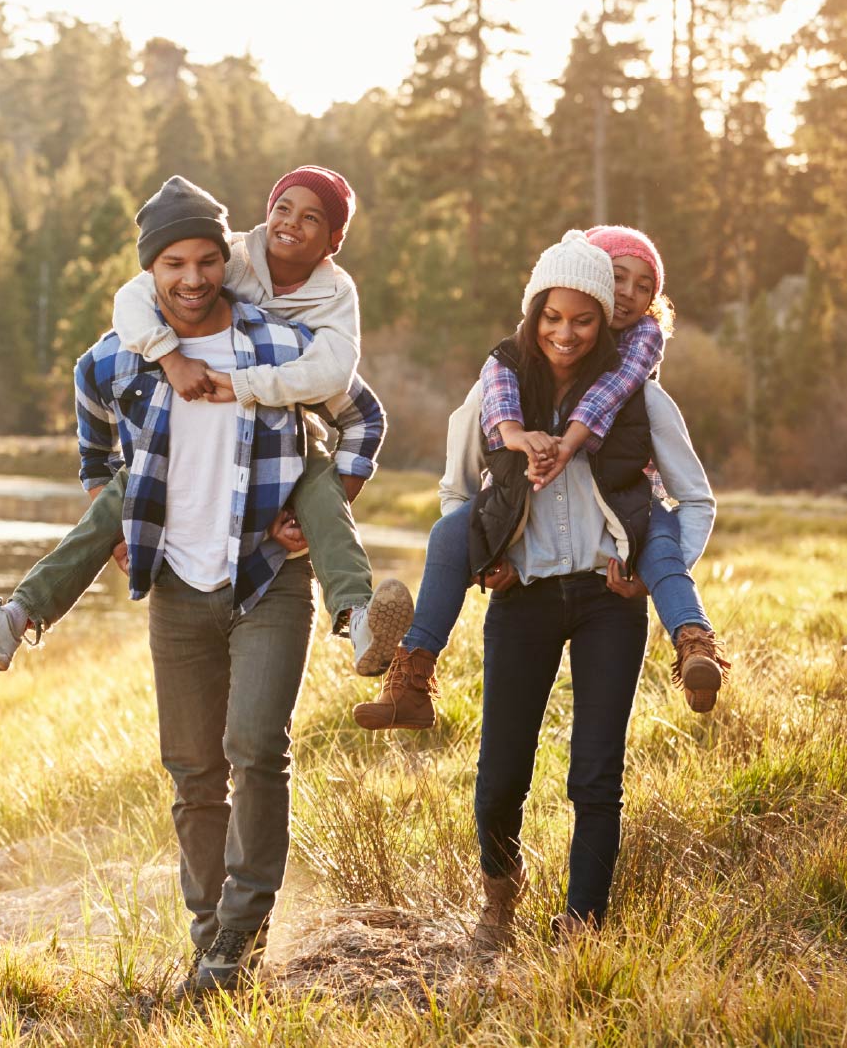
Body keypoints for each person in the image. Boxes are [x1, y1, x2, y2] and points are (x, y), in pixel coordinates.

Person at [67, 178, 388, 996]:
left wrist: (323, 505)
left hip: (266, 574)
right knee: (190, 769)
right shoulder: (125, 350)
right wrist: (111, 506)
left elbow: (362, 411)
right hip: (176, 580)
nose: (193, 277)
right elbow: (90, 411)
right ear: (150, 271)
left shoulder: (278, 343)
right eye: (173, 263)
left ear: (224, 262)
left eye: (207, 260)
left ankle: (239, 937)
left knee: (255, 748)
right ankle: (209, 936)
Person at [0, 166, 411, 680]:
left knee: (319, 484)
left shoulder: (331, 300)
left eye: (311, 217)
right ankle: (14, 618)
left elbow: (342, 380)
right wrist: (168, 357)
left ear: (334, 240)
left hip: (288, 441)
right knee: (125, 490)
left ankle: (358, 619)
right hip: (182, 443)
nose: (290, 223)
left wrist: (315, 508)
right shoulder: (226, 257)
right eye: (282, 208)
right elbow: (134, 298)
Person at [423, 231, 715, 947]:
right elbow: (455, 491)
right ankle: (499, 897)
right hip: (522, 597)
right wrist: (489, 557)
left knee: (595, 773)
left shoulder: (640, 397)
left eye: (583, 317)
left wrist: (647, 571)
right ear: (537, 312)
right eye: (555, 316)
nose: (567, 330)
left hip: (604, 601)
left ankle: (582, 919)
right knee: (499, 772)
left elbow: (695, 499)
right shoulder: (499, 390)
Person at [353, 225, 727, 732]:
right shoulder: (508, 367)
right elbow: (463, 472)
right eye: (618, 279)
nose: (629, 295)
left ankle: (694, 640)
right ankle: (413, 673)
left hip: (625, 519)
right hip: (522, 558)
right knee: (448, 533)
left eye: (644, 286)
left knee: (660, 540)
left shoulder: (637, 366)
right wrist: (488, 554)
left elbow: (616, 401)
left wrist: (568, 443)